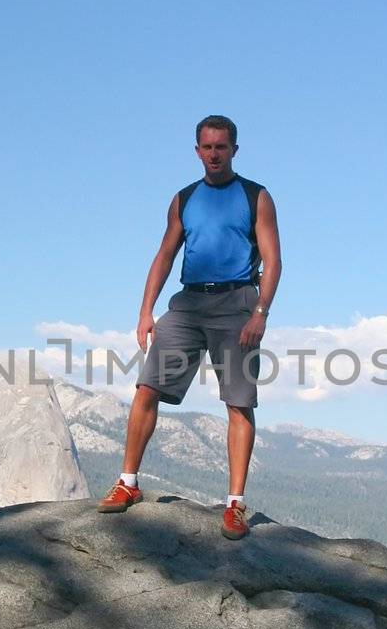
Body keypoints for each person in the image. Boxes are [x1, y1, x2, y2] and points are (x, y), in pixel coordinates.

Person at [97, 115, 281, 539]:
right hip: (189, 303)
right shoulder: (184, 198)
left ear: (234, 149)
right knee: (147, 387)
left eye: (221, 147)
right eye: (206, 147)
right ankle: (128, 483)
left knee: (238, 401)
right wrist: (146, 311)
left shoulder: (256, 196)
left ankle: (235, 505)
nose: (213, 154)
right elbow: (164, 254)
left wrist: (261, 313)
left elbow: (273, 260)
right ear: (196, 150)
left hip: (238, 302)